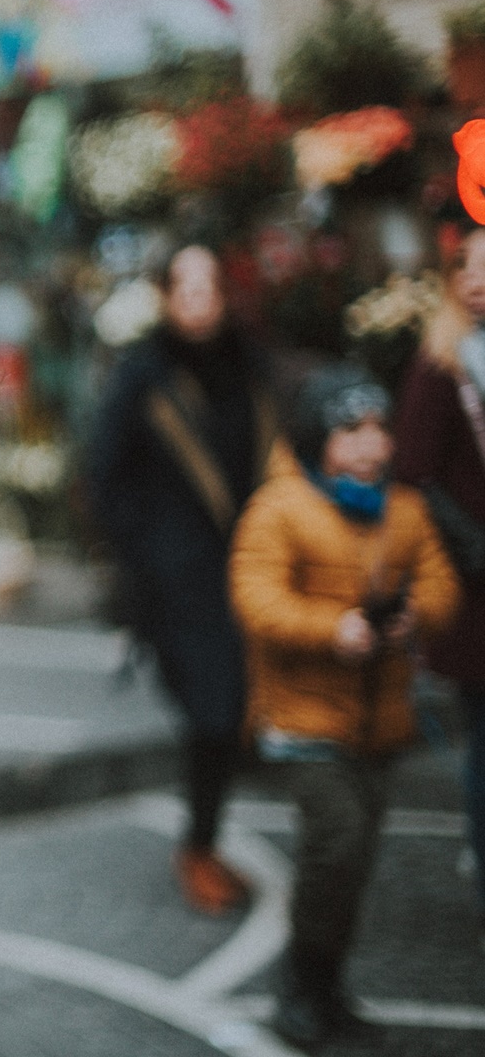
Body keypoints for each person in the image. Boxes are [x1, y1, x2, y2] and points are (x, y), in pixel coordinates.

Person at [229, 363, 458, 1049]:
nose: (370, 444)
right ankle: (301, 986)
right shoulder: (282, 506)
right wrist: (336, 628)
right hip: (303, 721)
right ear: (314, 437)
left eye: (378, 427)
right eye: (350, 429)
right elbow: (256, 598)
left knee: (355, 860)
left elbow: (443, 582)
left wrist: (413, 616)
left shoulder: (406, 510)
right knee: (337, 842)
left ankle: (325, 987)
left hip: (379, 722)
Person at [84, 244, 281, 915]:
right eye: (184, 286)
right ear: (166, 297)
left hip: (252, 567)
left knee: (232, 714)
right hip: (178, 584)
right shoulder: (144, 374)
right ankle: (198, 849)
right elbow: (103, 476)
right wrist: (147, 551)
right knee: (213, 712)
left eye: (209, 284)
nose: (198, 298)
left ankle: (205, 841)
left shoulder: (251, 369)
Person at [394, 225, 485, 948]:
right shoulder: (439, 364)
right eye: (469, 267)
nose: (480, 279)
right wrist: (468, 545)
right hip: (476, 581)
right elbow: (415, 471)